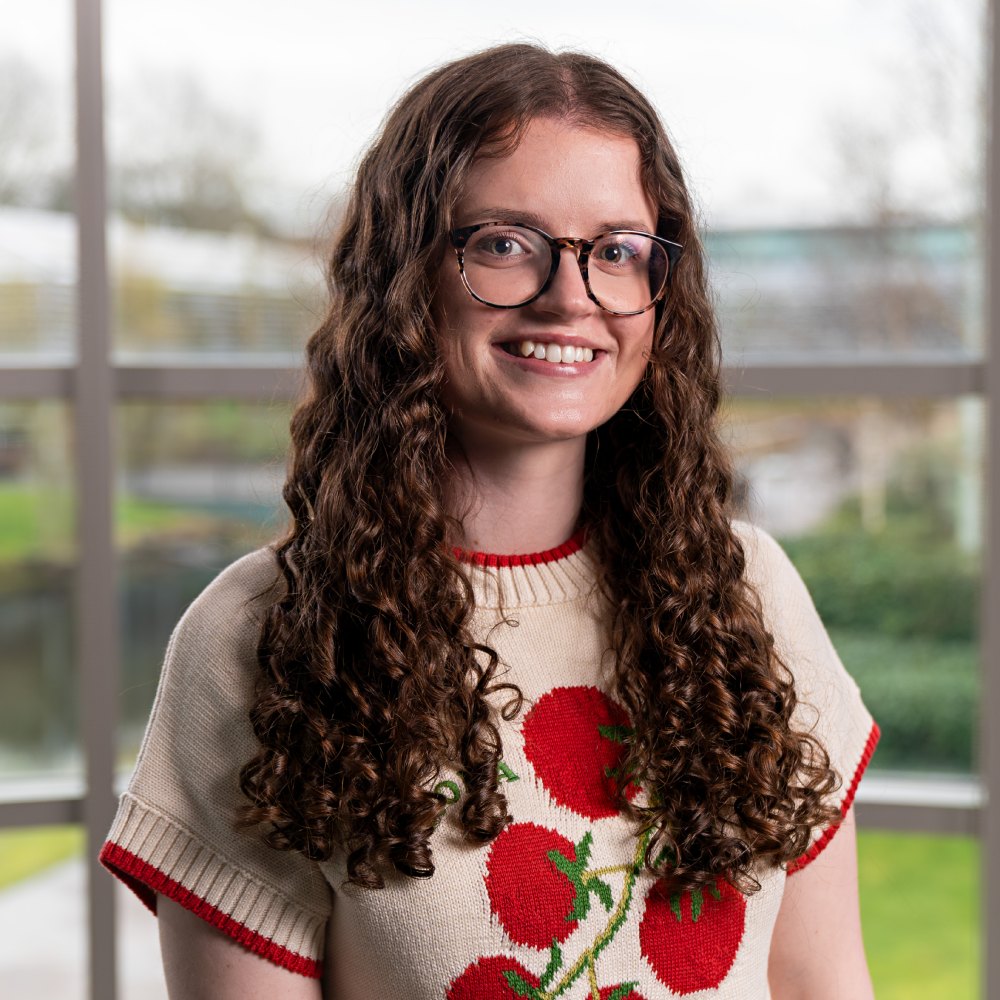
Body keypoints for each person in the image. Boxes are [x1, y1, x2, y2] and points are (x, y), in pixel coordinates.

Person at [101, 44, 880, 999]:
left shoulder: (750, 595)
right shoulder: (257, 641)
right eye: (506, 243)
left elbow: (827, 984)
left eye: (618, 251)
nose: (571, 295)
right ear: (404, 279)